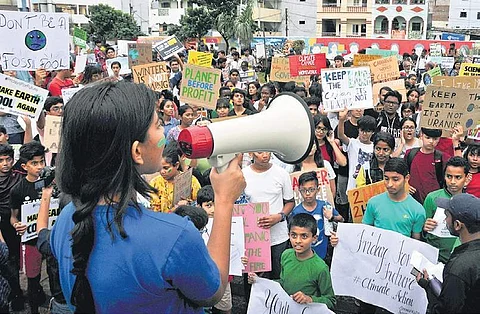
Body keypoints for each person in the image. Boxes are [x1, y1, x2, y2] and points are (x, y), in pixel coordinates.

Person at [50, 81, 246, 313]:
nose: (164, 134)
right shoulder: (174, 236)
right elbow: (213, 292)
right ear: (137, 152)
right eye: (157, 125)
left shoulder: (66, 218)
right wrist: (224, 200)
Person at [248, 213, 336, 309]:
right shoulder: (286, 255)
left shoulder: (321, 268)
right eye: (294, 235)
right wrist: (259, 281)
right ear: (288, 235)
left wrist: (310, 299)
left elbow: (331, 301)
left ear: (314, 238)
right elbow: (283, 282)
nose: (298, 241)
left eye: (304, 236)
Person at [416, 193, 480, 313]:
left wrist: (430, 289)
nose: (445, 220)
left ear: (457, 225)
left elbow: (447, 310)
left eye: (447, 216)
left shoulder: (458, 268)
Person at [242, 151, 295, 280]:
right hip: (253, 238)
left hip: (278, 236)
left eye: (267, 151)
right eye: (260, 152)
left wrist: (279, 216)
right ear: (250, 154)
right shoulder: (242, 175)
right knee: (253, 279)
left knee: (278, 277)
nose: (265, 155)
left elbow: (290, 202)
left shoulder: (281, 174)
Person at [9, 141, 47, 312]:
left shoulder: (51, 183)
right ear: (24, 166)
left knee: (55, 274)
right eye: (34, 163)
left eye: (42, 162)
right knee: (33, 278)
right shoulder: (17, 190)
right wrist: (17, 224)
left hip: (50, 238)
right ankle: (33, 309)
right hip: (31, 242)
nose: (39, 167)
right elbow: (13, 217)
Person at [422, 157, 470, 263]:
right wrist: (425, 228)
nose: (452, 181)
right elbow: (422, 231)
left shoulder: (471, 203)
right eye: (449, 176)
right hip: (434, 257)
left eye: (458, 177)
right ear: (444, 176)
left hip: (459, 260)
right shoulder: (432, 198)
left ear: (466, 178)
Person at [291, 172, 343, 259]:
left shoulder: (325, 206)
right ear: (299, 191)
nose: (308, 193)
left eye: (311, 190)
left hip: (324, 253)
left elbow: (341, 219)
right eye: (304, 190)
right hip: (304, 255)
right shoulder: (296, 212)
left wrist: (332, 217)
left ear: (317, 190)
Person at [0, 144, 24, 310]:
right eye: (0, 160)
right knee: (5, 260)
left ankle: (17, 293)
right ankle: (11, 292)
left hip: (18, 222)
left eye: (8, 159)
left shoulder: (19, 175)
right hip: (2, 224)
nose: (5, 163)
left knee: (15, 258)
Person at [149, 142, 201, 213]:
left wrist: (188, 204)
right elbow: (153, 209)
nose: (162, 171)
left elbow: (200, 205)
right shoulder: (155, 183)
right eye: (160, 168)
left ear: (176, 165)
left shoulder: (191, 181)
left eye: (166, 168)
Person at [405, 128, 449, 204]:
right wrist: (405, 185)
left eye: (435, 139)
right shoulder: (410, 154)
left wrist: (456, 143)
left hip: (434, 202)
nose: (431, 141)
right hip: (412, 200)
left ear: (439, 139)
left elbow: (460, 167)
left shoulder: (443, 157)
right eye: (427, 137)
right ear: (421, 135)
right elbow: (400, 173)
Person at [337, 109, 375, 192]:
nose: (364, 134)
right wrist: (341, 120)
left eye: (368, 131)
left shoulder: (375, 147)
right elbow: (341, 135)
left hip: (370, 187)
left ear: (373, 132)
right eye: (362, 130)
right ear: (358, 130)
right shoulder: (353, 143)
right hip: (353, 188)